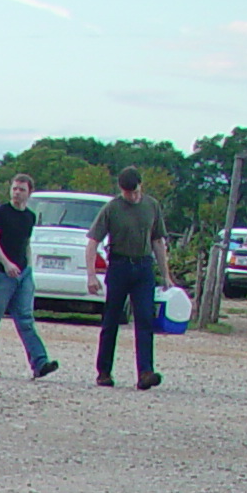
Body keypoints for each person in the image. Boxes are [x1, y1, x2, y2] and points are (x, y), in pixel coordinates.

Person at [88, 167, 174, 390]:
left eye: (135, 192)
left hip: (144, 267)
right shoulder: (112, 208)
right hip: (119, 266)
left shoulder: (151, 206)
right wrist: (91, 275)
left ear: (141, 187)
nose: (133, 197)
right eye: (128, 193)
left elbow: (157, 241)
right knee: (112, 319)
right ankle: (104, 371)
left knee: (145, 319)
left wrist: (165, 274)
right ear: (121, 190)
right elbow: (93, 242)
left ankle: (145, 371)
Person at [0, 173, 58, 380]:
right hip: (0, 274)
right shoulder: (0, 213)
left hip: (22, 273)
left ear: (29, 193)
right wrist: (6, 263)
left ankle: (40, 362)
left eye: (22, 189)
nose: (17, 193)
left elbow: (26, 243)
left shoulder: (29, 216)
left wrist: (28, 267)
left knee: (26, 319)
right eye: (15, 188)